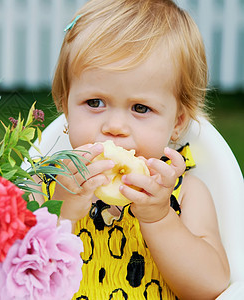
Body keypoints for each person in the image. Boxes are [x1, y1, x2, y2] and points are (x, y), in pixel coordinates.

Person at [36, 0, 231, 299]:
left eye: (141, 108)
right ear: (65, 106)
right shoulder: (46, 183)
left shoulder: (185, 194)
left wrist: (160, 218)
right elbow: (14, 276)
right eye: (94, 103)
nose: (115, 126)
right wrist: (62, 211)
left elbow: (211, 287)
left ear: (177, 122)